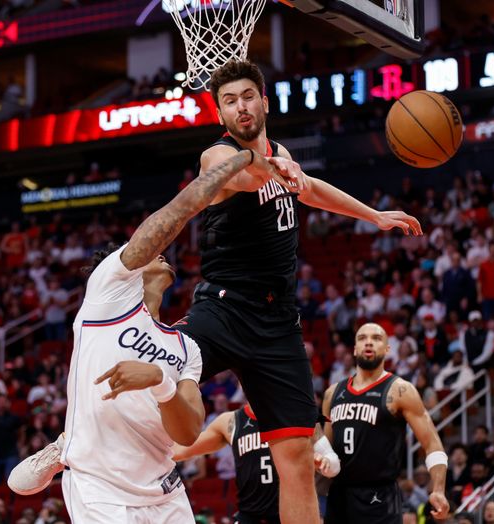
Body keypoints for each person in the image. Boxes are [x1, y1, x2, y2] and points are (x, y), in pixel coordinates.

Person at [173, 60, 421, 524]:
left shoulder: (279, 151)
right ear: (220, 114)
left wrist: (375, 216)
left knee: (297, 460)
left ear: (264, 102)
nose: (241, 107)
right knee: (156, 373)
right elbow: (244, 177)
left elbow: (309, 190)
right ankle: (75, 441)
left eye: (248, 97)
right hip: (225, 310)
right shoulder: (216, 155)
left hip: (278, 326)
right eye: (229, 101)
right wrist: (273, 165)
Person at [44, 148, 293, 523]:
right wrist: (240, 159)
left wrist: (161, 382)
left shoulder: (183, 346)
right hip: (102, 488)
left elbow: (190, 430)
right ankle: (65, 446)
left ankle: (63, 446)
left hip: (164, 491)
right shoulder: (107, 293)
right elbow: (176, 214)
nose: (162, 255)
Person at [321, 323, 449, 523]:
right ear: (354, 349)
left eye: (377, 338)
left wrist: (439, 489)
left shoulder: (400, 390)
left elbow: (432, 443)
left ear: (388, 349)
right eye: (362, 338)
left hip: (380, 495)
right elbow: (323, 449)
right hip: (339, 494)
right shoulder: (332, 394)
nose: (369, 342)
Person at [171, 405, 340, 523]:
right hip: (249, 516)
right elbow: (181, 451)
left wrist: (324, 463)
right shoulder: (230, 421)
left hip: (291, 516)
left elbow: (333, 466)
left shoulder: (298, 413)